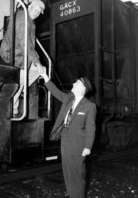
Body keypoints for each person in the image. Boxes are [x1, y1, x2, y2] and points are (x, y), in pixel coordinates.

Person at [39, 66, 97, 198]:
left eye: (76, 83)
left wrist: (87, 147)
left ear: (82, 88)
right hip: (65, 142)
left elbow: (91, 128)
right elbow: (55, 91)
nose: (73, 84)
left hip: (78, 145)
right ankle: (72, 195)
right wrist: (45, 76)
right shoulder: (68, 99)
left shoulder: (89, 106)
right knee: (68, 173)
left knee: (77, 175)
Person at [0, 0, 45, 116]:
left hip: (20, 55)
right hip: (12, 56)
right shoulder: (23, 19)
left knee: (38, 71)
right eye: (35, 9)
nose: (36, 12)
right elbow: (25, 42)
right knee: (23, 76)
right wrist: (37, 61)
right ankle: (12, 110)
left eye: (39, 11)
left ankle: (21, 88)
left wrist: (36, 62)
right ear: (29, 6)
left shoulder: (29, 19)